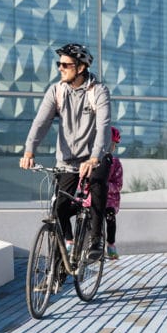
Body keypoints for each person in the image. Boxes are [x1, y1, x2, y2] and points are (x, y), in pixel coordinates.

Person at [20, 43, 111, 260]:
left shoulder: (98, 91)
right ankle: (59, 267)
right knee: (58, 209)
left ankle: (96, 239)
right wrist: (29, 151)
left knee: (97, 184)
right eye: (58, 64)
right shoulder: (57, 90)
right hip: (67, 161)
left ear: (80, 68)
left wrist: (95, 157)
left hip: (94, 156)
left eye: (65, 65)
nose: (60, 68)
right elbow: (40, 123)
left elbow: (104, 127)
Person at [105, 126, 124, 259]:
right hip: (93, 196)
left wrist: (106, 186)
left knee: (110, 217)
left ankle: (111, 244)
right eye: (111, 144)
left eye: (114, 145)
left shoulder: (115, 163)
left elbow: (118, 184)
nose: (112, 147)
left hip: (110, 199)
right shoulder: (92, 160)